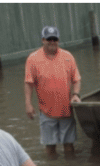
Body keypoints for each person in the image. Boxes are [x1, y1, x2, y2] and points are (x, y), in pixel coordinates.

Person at [24, 26, 82, 157]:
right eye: (49, 39)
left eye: (54, 39)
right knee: (50, 147)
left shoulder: (68, 56)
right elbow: (28, 83)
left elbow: (76, 79)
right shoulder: (32, 59)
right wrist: (28, 104)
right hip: (46, 112)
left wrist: (76, 94)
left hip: (66, 110)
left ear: (58, 40)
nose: (52, 41)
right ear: (43, 40)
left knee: (69, 145)